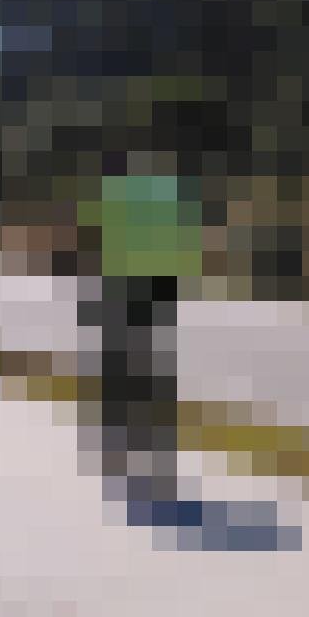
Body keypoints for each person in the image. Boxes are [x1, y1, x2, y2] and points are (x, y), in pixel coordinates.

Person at [80, 149, 204, 498]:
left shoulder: (117, 192)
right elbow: (186, 244)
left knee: (124, 364)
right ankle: (149, 448)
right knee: (150, 365)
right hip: (154, 283)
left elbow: (92, 241)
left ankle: (123, 447)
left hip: (124, 282)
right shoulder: (168, 192)